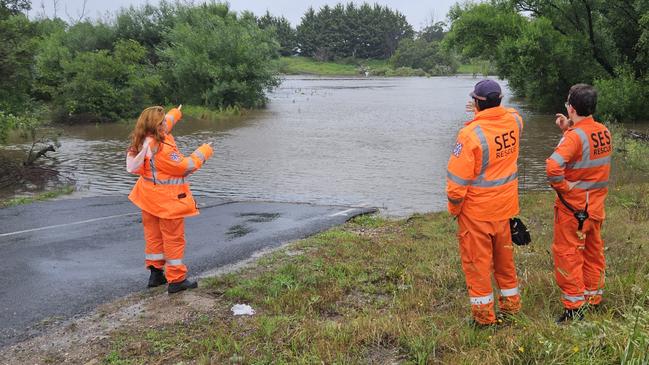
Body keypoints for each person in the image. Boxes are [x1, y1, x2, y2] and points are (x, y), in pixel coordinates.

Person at [446, 79, 524, 326]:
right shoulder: (515, 121)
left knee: (478, 267)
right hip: (505, 209)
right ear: (499, 101)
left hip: (476, 214)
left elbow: (457, 185)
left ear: (476, 103)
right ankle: (511, 308)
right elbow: (509, 111)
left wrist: (455, 211)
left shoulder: (469, 135)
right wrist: (487, 110)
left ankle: (484, 320)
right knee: (504, 262)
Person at [126, 105, 214, 293]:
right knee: (173, 239)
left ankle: (156, 274)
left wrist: (177, 112)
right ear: (157, 127)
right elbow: (185, 167)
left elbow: (168, 123)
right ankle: (176, 280)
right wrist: (205, 151)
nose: (166, 123)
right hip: (167, 202)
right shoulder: (162, 150)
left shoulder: (142, 140)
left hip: (147, 199)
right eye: (162, 121)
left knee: (153, 236)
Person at [546, 84, 611, 322]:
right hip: (595, 206)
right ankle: (593, 298)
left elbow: (553, 167)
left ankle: (574, 309)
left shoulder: (574, 137)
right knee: (593, 252)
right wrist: (568, 128)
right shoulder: (603, 131)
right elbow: (585, 150)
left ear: (571, 108)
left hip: (573, 208)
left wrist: (563, 187)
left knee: (568, 254)